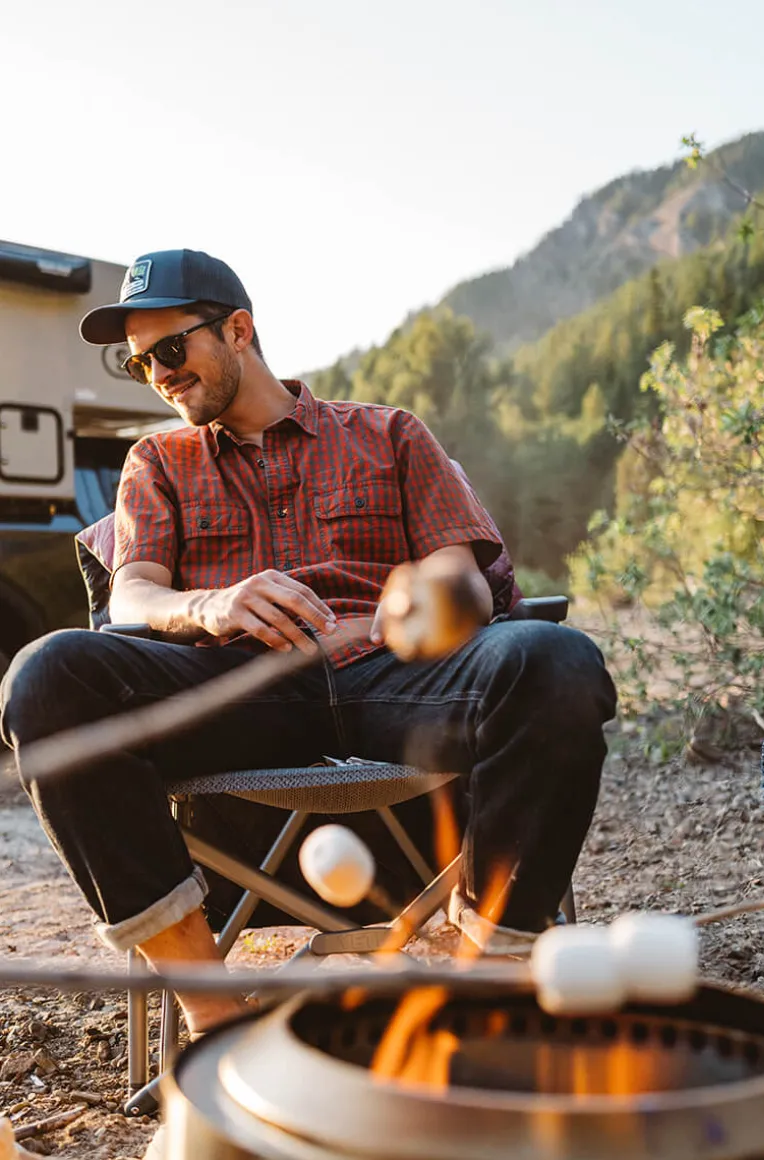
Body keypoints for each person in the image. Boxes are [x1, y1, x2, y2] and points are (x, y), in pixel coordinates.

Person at [0, 249, 617, 1035]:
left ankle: (486, 980)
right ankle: (215, 1019)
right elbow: (135, 593)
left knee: (556, 661)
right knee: (44, 677)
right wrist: (210, 605)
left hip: (393, 676)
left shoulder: (388, 433)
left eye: (170, 349)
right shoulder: (157, 460)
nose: (157, 374)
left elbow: (460, 577)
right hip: (235, 687)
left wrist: (428, 599)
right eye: (137, 361)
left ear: (238, 330)